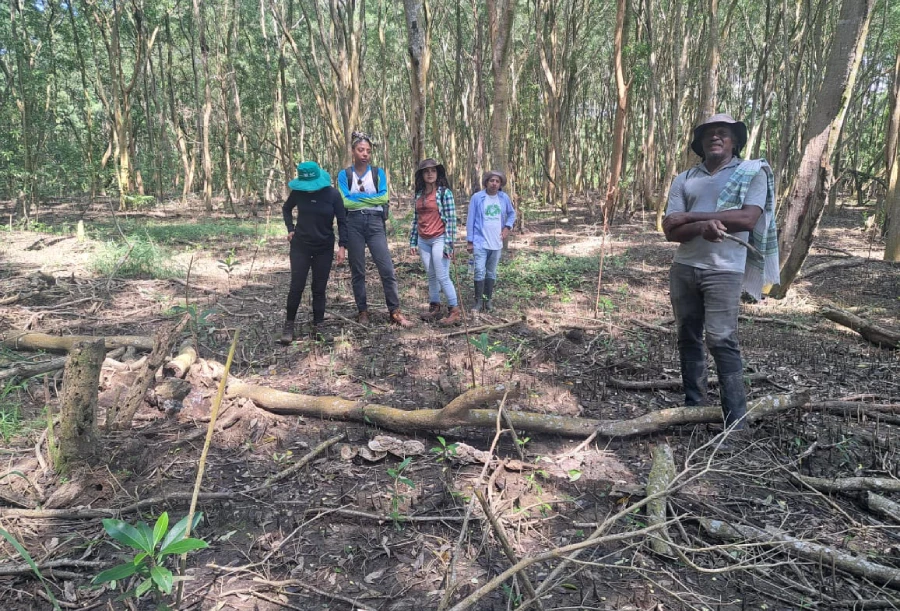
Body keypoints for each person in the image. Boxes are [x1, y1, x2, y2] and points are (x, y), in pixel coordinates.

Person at [662, 113, 780, 433]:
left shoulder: (751, 172)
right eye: (709, 134)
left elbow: (747, 219)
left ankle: (736, 420)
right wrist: (702, 225)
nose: (716, 137)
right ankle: (693, 407)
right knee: (687, 335)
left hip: (725, 270)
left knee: (722, 339)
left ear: (735, 141)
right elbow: (671, 229)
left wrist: (691, 217)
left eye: (723, 133)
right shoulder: (685, 178)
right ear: (700, 144)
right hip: (685, 268)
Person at [336, 131, 413, 328]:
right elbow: (345, 201)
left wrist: (358, 200)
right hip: (353, 223)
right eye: (361, 150)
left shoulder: (378, 173)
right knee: (357, 269)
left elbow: (383, 198)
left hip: (375, 223)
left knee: (386, 267)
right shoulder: (345, 175)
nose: (365, 154)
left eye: (368, 151)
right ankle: (362, 311)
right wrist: (370, 200)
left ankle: (394, 311)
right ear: (353, 151)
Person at [281, 161, 348, 344]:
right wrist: (290, 228)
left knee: (319, 288)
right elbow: (286, 209)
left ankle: (318, 325)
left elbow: (342, 220)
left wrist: (342, 246)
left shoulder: (333, 195)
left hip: (324, 247)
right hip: (300, 246)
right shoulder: (298, 193)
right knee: (297, 286)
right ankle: (289, 325)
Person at [409, 158, 461, 325]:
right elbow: (416, 220)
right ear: (422, 175)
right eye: (426, 171)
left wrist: (449, 244)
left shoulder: (444, 193)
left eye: (433, 171)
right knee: (431, 275)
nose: (430, 174)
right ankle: (434, 307)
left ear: (437, 173)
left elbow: (452, 220)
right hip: (424, 240)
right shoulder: (419, 194)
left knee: (442, 275)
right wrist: (412, 241)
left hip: (440, 238)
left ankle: (454, 310)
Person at [466, 170, 516, 313]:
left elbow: (512, 213)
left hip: (496, 242)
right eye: (491, 180)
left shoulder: (504, 198)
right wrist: (470, 241)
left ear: (500, 184)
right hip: (480, 241)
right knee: (479, 270)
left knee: (491, 272)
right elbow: (470, 219)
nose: (494, 184)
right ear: (486, 182)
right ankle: (478, 301)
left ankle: (488, 301)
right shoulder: (477, 198)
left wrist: (507, 227)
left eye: (497, 181)